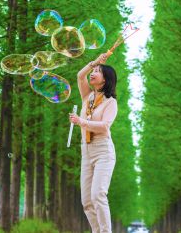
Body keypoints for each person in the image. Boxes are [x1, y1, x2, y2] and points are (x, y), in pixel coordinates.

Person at [69, 53, 118, 233]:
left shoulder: (110, 102)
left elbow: (105, 126)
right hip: (86, 151)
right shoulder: (87, 97)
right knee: (86, 202)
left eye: (98, 71)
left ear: (105, 80)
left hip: (103, 151)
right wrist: (95, 62)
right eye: (94, 70)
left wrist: (81, 122)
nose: (93, 73)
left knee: (98, 195)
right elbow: (79, 76)